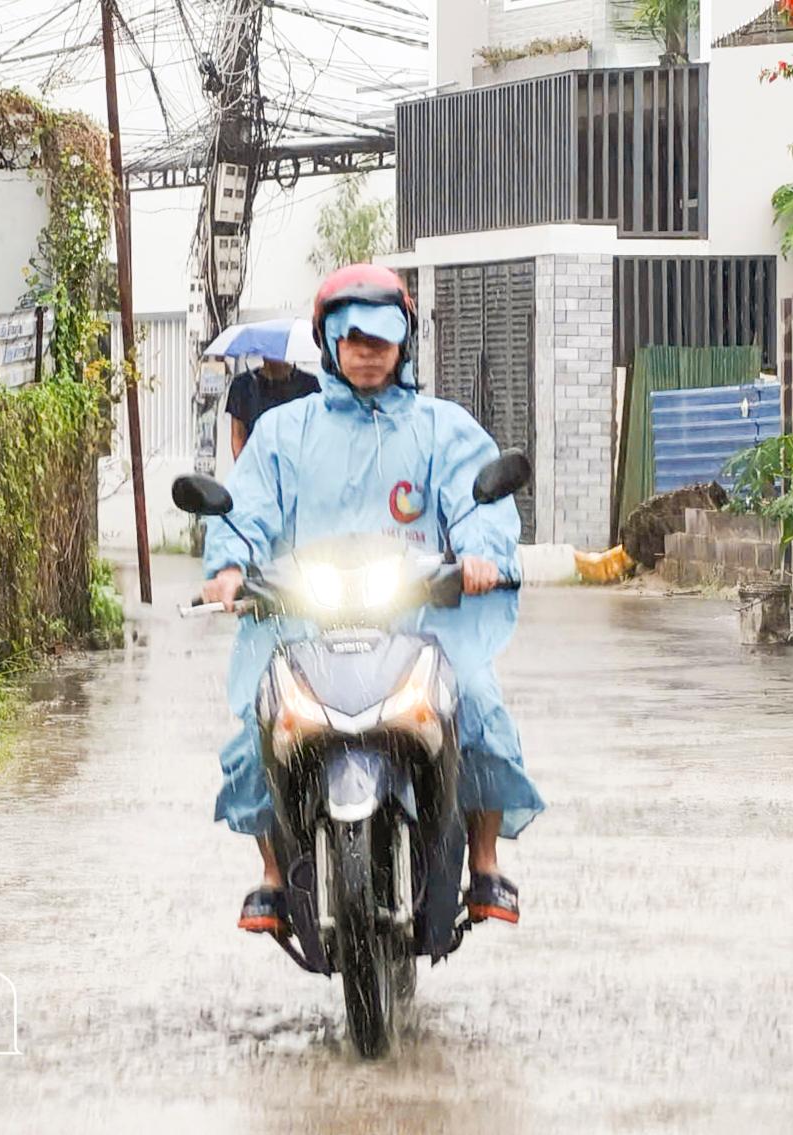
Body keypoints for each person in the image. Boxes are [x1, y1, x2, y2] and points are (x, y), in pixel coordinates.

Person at [200, 263, 544, 935]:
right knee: (254, 727)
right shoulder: (284, 432)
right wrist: (231, 566)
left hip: (420, 618)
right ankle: (271, 873)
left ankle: (483, 860)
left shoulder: (442, 428)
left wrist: (480, 556)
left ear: (404, 343)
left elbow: (479, 500)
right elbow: (245, 509)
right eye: (353, 339)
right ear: (328, 341)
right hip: (302, 621)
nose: (366, 352)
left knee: (477, 703)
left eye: (380, 340)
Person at [224, 356, 320, 459]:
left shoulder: (310, 386)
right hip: (257, 467)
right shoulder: (243, 385)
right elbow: (238, 439)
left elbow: (316, 436)